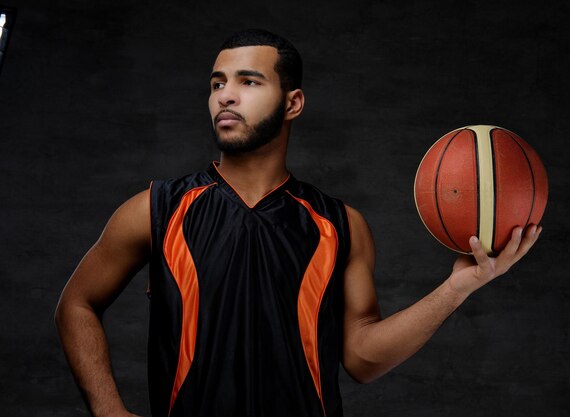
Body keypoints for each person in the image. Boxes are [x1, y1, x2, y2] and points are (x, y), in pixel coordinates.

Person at [55, 29, 542, 417]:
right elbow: (77, 303)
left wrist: (458, 287)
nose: (226, 96)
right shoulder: (156, 208)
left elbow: (363, 360)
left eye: (249, 81)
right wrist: (109, 409)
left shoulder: (339, 224)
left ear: (293, 103)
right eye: (217, 83)